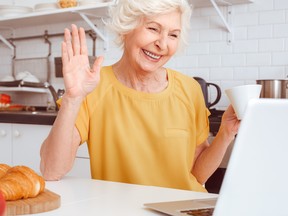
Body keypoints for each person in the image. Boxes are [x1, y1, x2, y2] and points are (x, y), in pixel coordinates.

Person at [40, 0, 240, 192]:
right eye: (153, 29)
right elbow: (51, 170)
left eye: (173, 35)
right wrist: (73, 98)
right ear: (126, 28)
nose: (162, 44)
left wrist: (225, 134)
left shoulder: (189, 89)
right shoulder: (94, 88)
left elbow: (197, 176)